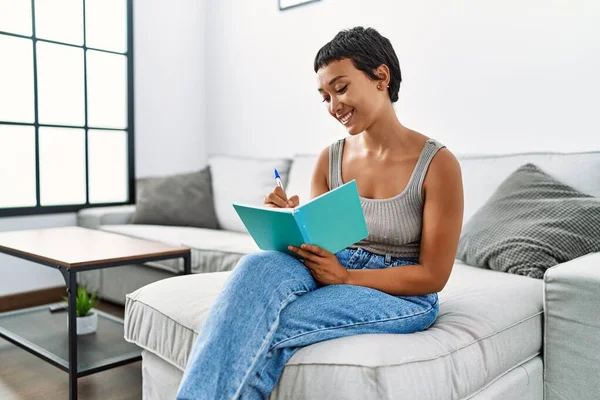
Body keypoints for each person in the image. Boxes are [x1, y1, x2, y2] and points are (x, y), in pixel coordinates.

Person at [176, 26, 464, 400]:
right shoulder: (329, 159)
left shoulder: (438, 165)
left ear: (381, 76)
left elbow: (433, 275)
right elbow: (321, 245)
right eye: (324, 97)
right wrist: (287, 223)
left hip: (404, 295)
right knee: (254, 267)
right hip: (335, 263)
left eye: (341, 89)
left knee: (269, 325)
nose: (333, 107)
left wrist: (345, 277)